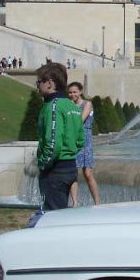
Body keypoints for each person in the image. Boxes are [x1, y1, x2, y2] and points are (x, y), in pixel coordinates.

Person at [35, 62, 84, 211]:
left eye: (39, 82)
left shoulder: (53, 106)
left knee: (52, 217)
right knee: (61, 215)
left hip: (55, 170)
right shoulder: (72, 106)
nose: (37, 85)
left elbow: (53, 143)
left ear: (49, 83)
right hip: (70, 168)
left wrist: (43, 163)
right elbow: (81, 140)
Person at [66, 82, 100, 206]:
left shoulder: (87, 104)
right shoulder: (69, 105)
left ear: (80, 92)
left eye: (74, 92)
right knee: (72, 172)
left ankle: (97, 202)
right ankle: (75, 202)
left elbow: (81, 119)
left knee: (87, 173)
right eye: (70, 92)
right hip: (72, 139)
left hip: (85, 139)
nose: (72, 94)